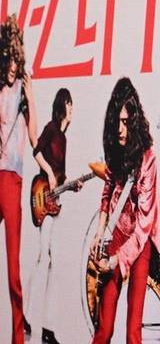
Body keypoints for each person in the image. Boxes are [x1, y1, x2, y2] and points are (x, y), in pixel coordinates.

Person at [91, 77, 160, 344]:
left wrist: (116, 261)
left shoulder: (148, 158)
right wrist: (100, 231)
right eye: (116, 122)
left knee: (133, 331)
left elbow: (143, 226)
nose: (120, 130)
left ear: (133, 121)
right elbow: (107, 191)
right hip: (119, 232)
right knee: (104, 328)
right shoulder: (115, 150)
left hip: (141, 240)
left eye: (125, 122)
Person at [27, 88, 80, 344]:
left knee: (54, 263)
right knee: (43, 258)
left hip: (54, 203)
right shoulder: (50, 129)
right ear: (62, 105)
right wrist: (48, 172)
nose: (72, 108)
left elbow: (61, 177)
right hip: (42, 197)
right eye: (69, 103)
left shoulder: (64, 140)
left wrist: (72, 185)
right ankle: (28, 316)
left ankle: (48, 328)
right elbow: (36, 151)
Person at [0, 15, 38, 344]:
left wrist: (32, 94)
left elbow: (35, 137)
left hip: (12, 180)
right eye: (7, 59)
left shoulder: (23, 93)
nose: (12, 65)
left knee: (13, 269)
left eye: (16, 59)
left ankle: (17, 337)